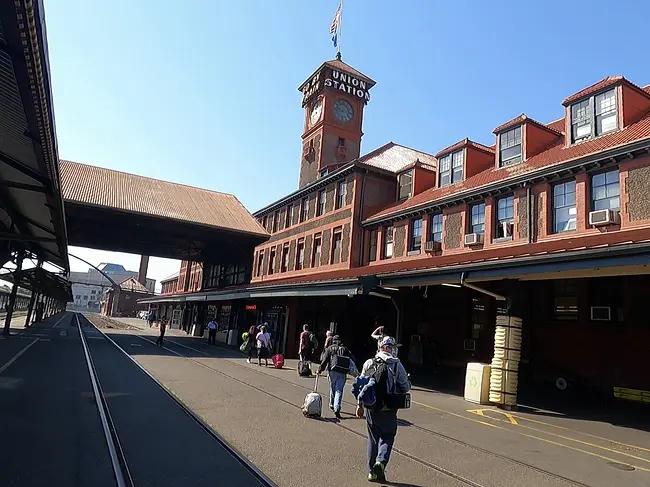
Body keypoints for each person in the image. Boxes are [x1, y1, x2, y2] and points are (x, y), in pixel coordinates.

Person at [356, 336, 410, 483]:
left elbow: (360, 385)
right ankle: (381, 461)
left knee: (373, 439)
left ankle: (371, 472)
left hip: (371, 407)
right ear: (390, 348)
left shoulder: (369, 362)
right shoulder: (397, 364)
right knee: (388, 436)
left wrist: (359, 405)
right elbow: (405, 386)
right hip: (389, 408)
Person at [317, 335, 357, 419]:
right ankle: (336, 407)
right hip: (342, 372)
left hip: (332, 371)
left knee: (332, 387)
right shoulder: (345, 349)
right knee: (339, 390)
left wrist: (320, 369)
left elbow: (325, 360)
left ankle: (332, 404)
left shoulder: (330, 348)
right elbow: (353, 358)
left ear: (333, 341)